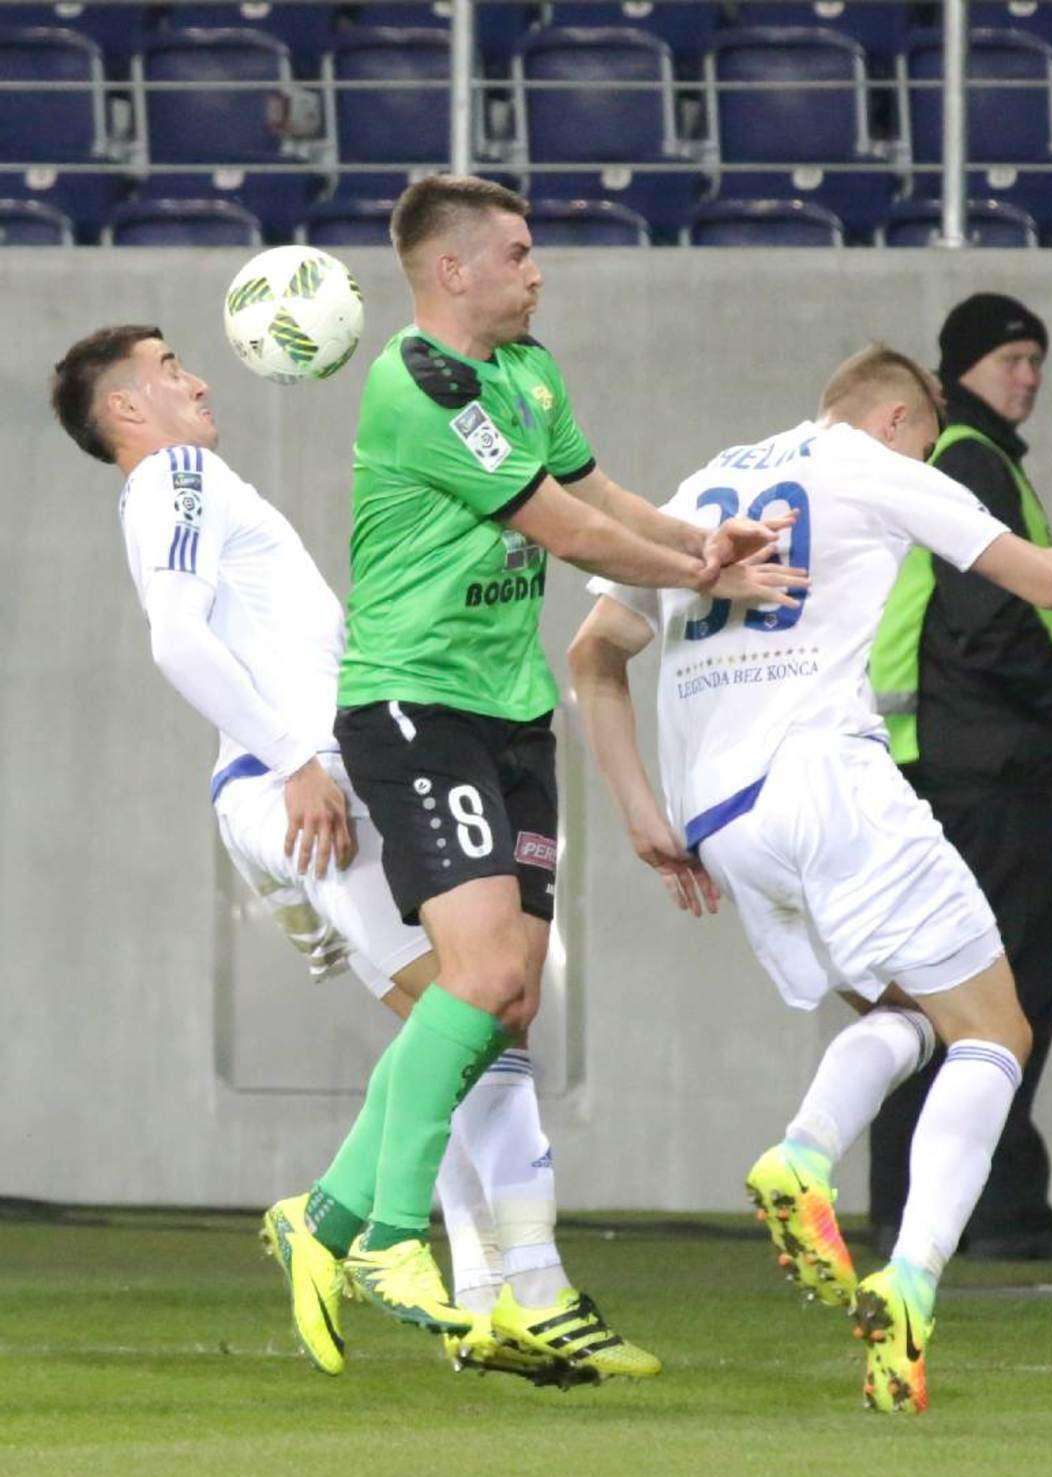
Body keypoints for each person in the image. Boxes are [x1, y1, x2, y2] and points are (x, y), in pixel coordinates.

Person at [49, 321, 661, 1388]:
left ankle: (476, 1289)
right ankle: (459, 1261)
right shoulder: (177, 477)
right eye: (170, 369)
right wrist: (294, 759)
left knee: (464, 1024)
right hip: (305, 782)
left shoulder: (183, 490)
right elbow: (176, 637)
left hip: (292, 786)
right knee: (483, 1002)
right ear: (127, 410)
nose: (198, 380)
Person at [567, 345, 1052, 1414]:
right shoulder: (870, 465)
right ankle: (903, 1269)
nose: (924, 461)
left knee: (910, 1014)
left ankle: (807, 1162)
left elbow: (593, 655)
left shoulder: (701, 487)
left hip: (721, 820)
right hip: (828, 783)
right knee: (997, 1033)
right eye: (925, 442)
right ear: (895, 421)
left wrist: (641, 811)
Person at [328, 172, 804, 1356]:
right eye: (518, 253)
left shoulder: (529, 371)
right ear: (452, 270)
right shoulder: (421, 384)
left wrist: (701, 539)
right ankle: (393, 1234)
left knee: (507, 999)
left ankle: (323, 1214)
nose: (538, 271)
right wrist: (700, 575)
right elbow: (562, 526)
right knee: (482, 973)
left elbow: (599, 492)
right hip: (415, 701)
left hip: (510, 710)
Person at [869, 293, 1052, 1261]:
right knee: (1010, 992)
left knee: (937, 992)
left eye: (1037, 360)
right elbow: (987, 622)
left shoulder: (959, 456)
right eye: (1012, 358)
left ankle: (918, 1204)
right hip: (990, 769)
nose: (1029, 376)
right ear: (961, 368)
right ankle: (995, 1206)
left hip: (947, 766)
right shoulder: (971, 460)